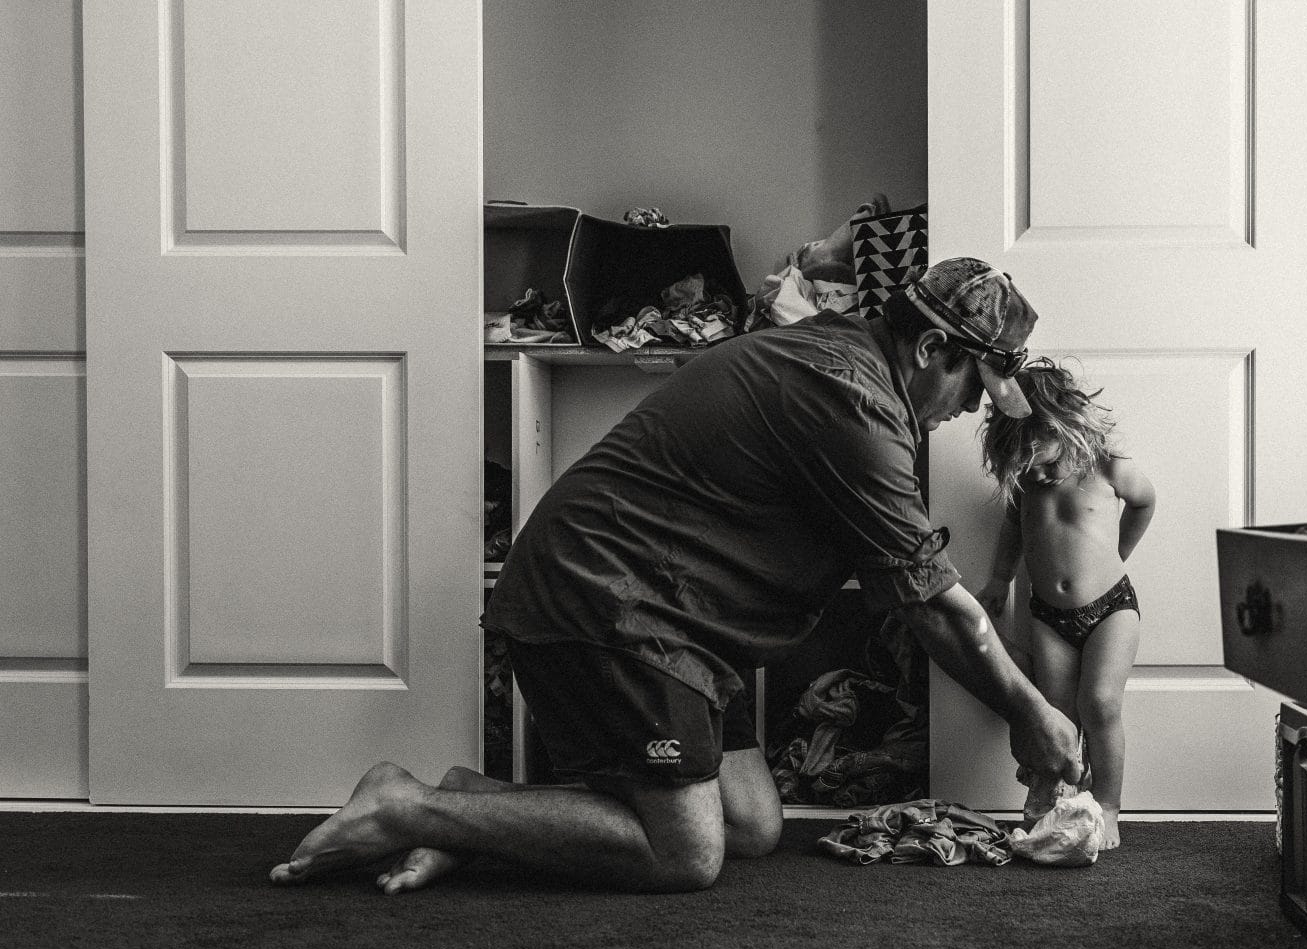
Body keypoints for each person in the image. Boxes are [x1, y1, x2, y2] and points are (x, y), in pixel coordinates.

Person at [270, 257, 1085, 894]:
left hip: (682, 634)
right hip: (609, 604)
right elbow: (935, 610)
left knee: (751, 824)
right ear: (933, 349)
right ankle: (405, 804)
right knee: (685, 854)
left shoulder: (853, 370)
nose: (973, 409)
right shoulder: (856, 402)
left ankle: (468, 810)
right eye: (974, 387)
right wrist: (1033, 714)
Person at [974, 361, 1156, 850]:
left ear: (1067, 427)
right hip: (1048, 615)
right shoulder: (1027, 482)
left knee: (1099, 703)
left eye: (1045, 461)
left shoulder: (1108, 469)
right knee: (1057, 714)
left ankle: (1110, 806)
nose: (1036, 472)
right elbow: (1014, 528)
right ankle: (1065, 806)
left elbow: (1145, 501)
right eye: (1025, 464)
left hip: (1112, 607)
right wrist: (998, 578)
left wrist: (1119, 554)